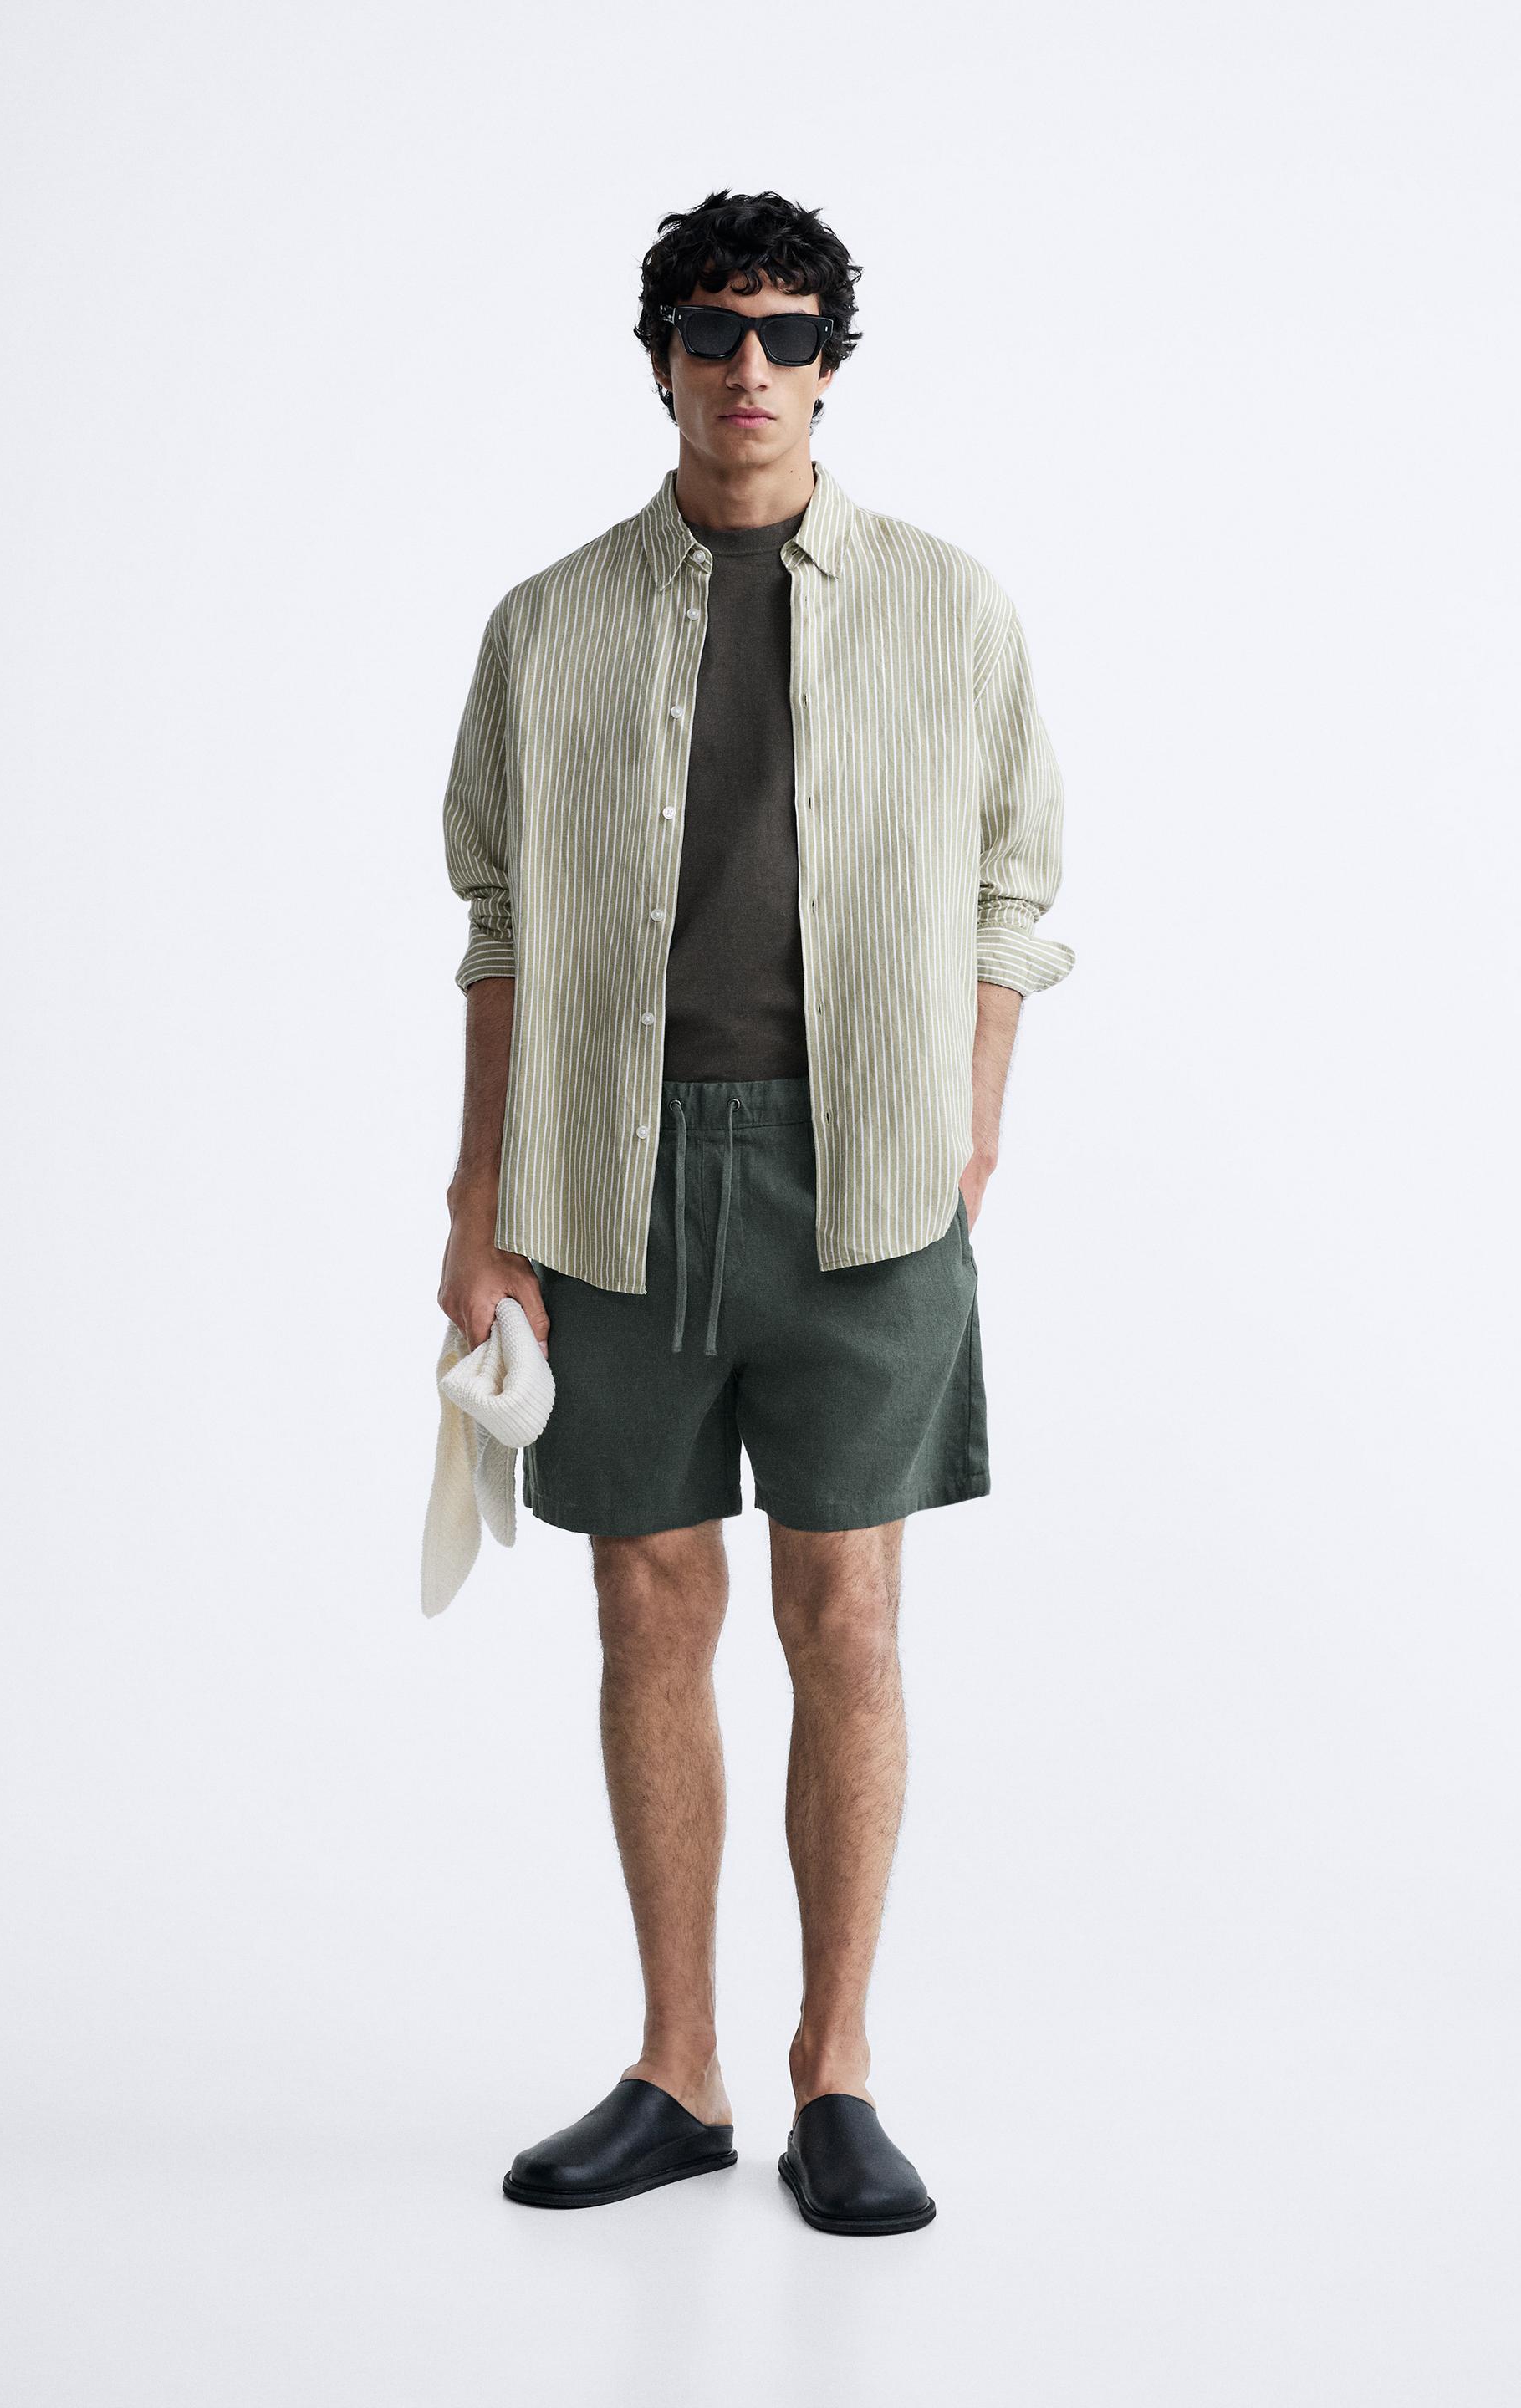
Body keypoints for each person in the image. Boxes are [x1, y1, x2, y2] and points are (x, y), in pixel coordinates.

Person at [436, 187, 1074, 2236]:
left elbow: (1013, 889)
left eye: (789, 334)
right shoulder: (548, 625)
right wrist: (477, 1202)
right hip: (609, 1168)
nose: (749, 368)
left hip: (864, 1168)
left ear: (830, 368)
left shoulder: (950, 609)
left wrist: (970, 1114)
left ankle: (838, 2075)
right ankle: (677, 2070)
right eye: (714, 331)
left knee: (848, 1611)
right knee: (648, 1603)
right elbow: (500, 925)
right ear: (662, 362)